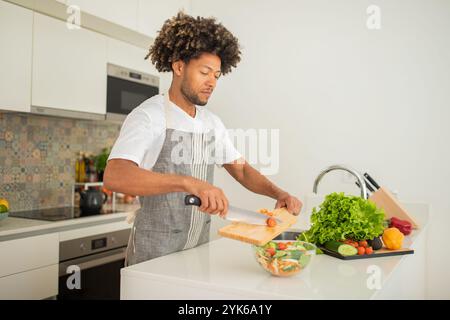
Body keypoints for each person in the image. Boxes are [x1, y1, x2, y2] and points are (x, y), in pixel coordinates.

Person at [104, 12, 302, 266]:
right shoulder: (148, 116)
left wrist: (278, 193)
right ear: (178, 66)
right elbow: (115, 175)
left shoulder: (211, 123)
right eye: (204, 72)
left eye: (216, 75)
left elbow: (240, 170)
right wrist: (188, 183)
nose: (212, 82)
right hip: (154, 256)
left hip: (196, 252)